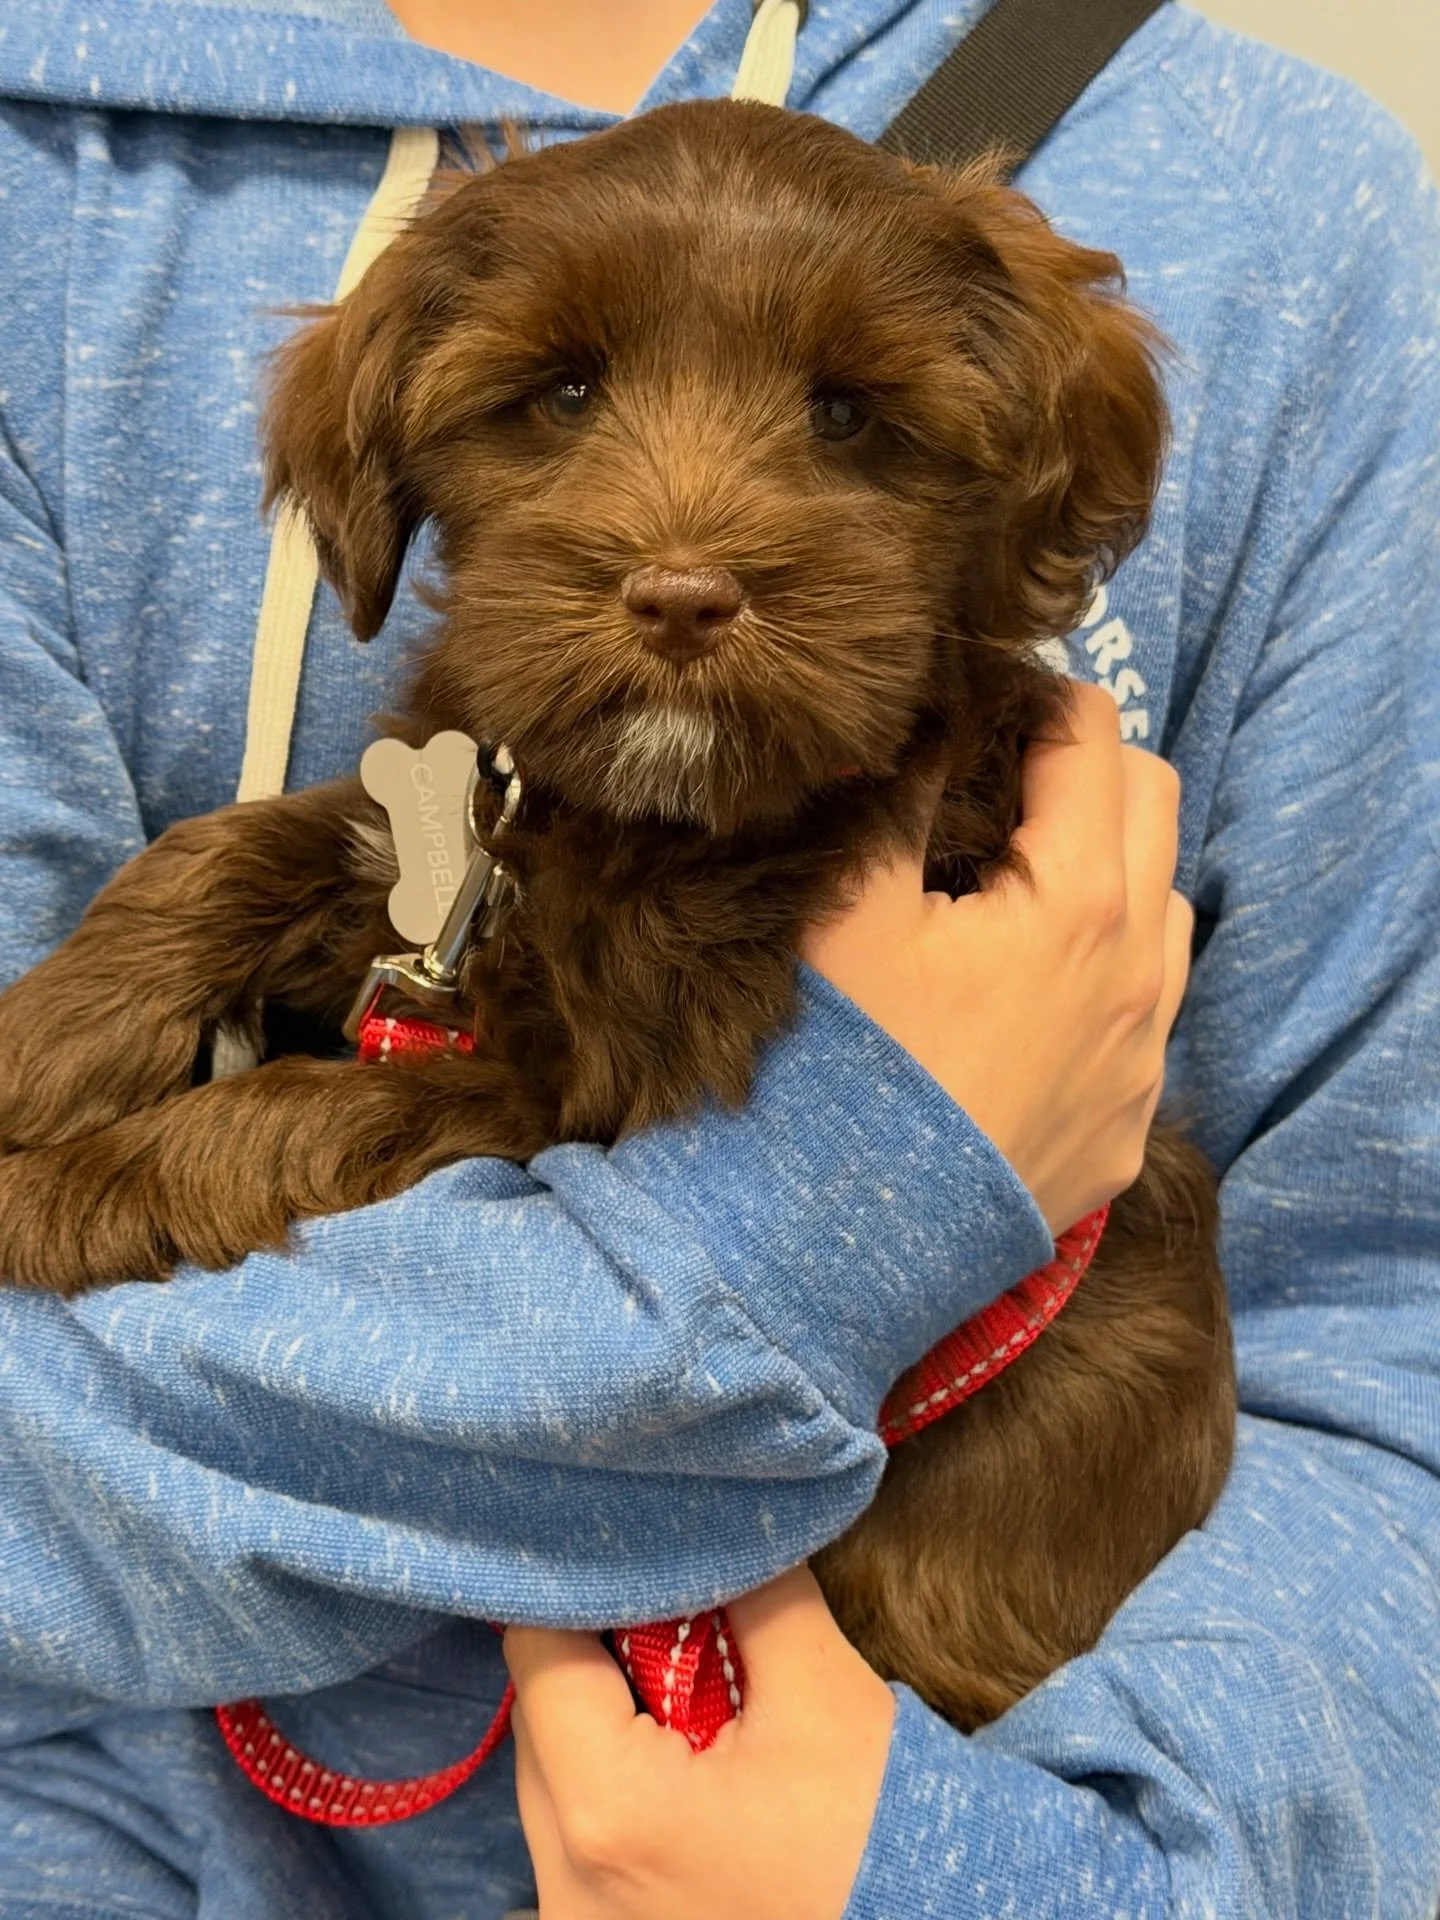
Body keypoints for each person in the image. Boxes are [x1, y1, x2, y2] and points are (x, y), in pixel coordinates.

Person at [0, 0, 1435, 1915]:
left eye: (852, 424)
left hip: (967, 1686)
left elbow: (1392, 1323)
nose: (683, 551)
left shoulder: (1288, 212)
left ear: (1020, 509)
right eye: (556, 404)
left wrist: (986, 1877)